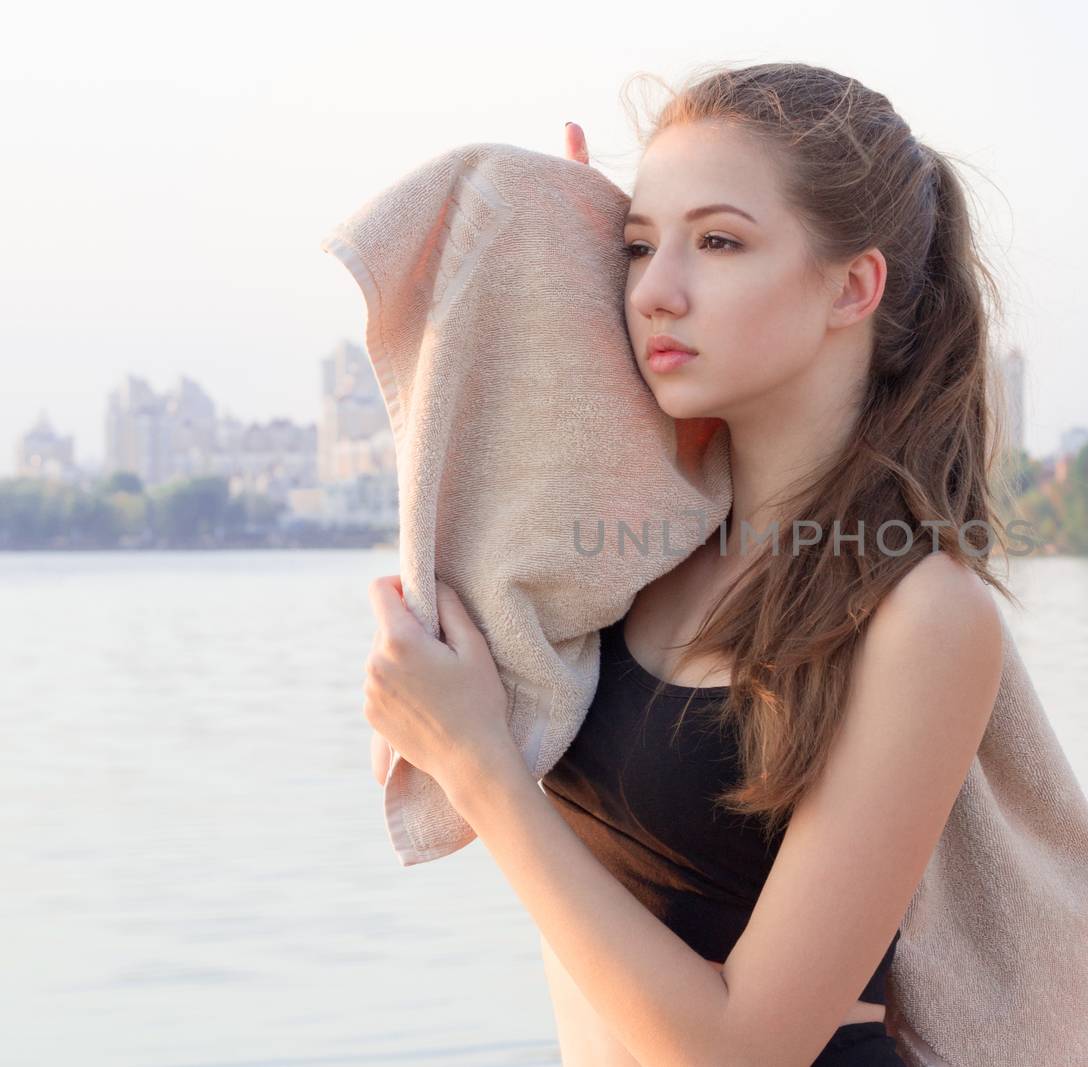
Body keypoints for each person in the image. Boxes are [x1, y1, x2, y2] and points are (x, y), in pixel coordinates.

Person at [363, 62, 1021, 1067]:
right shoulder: (632, 557)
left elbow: (746, 1044)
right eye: (635, 248)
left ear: (854, 285)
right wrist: (557, 299)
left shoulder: (917, 611)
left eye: (717, 242)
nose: (655, 292)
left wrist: (479, 765)